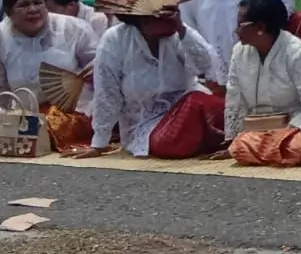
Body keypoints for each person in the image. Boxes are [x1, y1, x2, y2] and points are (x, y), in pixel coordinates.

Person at [72, 8, 224, 160]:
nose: (170, 21)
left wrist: (182, 29)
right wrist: (99, 143)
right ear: (144, 19)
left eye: (173, 15)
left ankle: (210, 141)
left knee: (206, 103)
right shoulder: (115, 39)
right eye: (163, 17)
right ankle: (207, 141)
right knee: (166, 143)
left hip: (189, 109)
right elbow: (107, 93)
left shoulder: (177, 32)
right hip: (145, 123)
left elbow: (206, 65)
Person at [0, 0, 99, 151]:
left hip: (76, 111)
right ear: (9, 12)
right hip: (25, 115)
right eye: (24, 5)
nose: (33, 9)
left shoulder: (74, 27)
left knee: (41, 129)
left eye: (37, 2)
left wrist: (94, 70)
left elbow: (101, 65)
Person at [215, 0, 301, 167]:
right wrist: (231, 139)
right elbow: (235, 97)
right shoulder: (239, 52)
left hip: (297, 121)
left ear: (261, 26)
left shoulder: (297, 51)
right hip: (259, 126)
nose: (236, 31)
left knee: (299, 146)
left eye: (241, 25)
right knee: (240, 147)